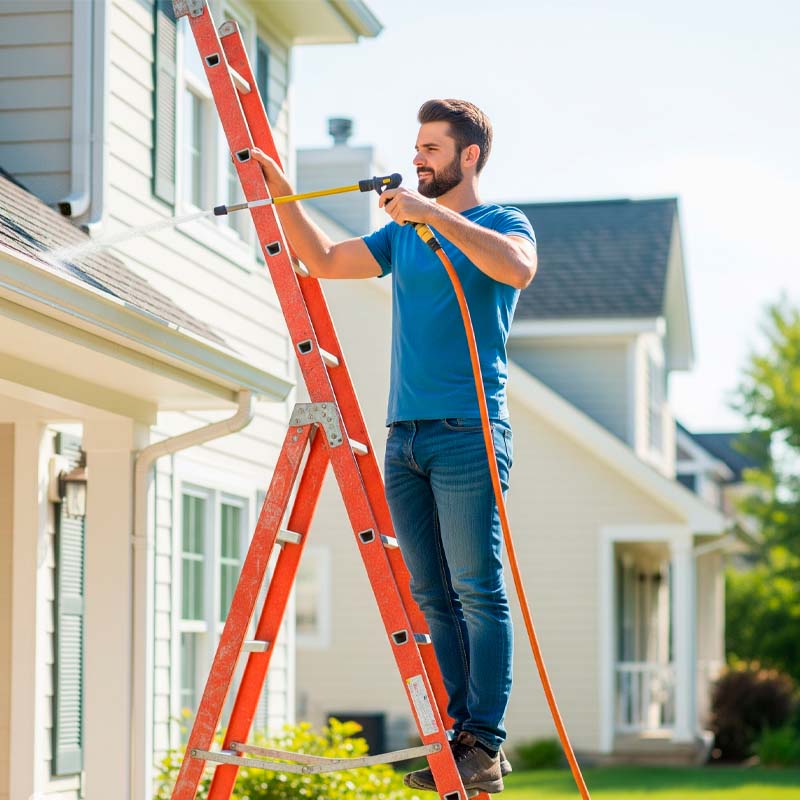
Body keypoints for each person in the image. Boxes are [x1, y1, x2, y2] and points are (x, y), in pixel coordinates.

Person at [251, 98, 537, 795]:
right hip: (404, 436)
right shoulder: (402, 236)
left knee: (476, 590)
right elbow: (318, 259)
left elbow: (518, 269)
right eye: (416, 148)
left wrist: (430, 214)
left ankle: (485, 743)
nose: (418, 159)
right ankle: (458, 737)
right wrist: (280, 190)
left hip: (469, 431)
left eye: (432, 149)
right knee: (430, 596)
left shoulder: (500, 223)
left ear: (468, 157)